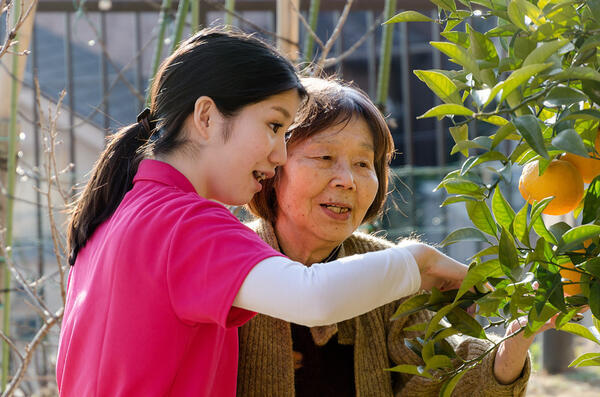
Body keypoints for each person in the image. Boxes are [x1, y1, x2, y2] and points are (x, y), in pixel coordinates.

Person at [56, 29, 468, 397]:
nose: (280, 153)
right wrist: (420, 261)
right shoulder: (185, 223)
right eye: (274, 126)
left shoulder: (113, 215)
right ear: (206, 117)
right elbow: (313, 296)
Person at [238, 77, 533, 396]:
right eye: (324, 157)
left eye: (363, 163)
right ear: (273, 165)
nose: (347, 180)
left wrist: (509, 352)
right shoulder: (231, 257)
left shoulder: (388, 273)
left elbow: (437, 376)